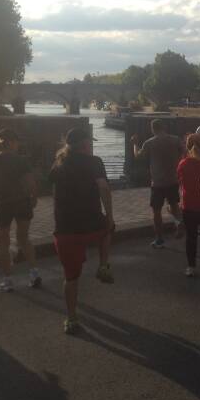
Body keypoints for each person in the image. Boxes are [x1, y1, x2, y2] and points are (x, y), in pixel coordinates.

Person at [49, 127, 115, 334]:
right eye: (90, 142)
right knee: (108, 229)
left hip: (65, 228)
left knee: (71, 278)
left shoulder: (58, 164)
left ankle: (71, 318)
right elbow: (103, 188)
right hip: (92, 224)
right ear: (85, 144)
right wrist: (110, 216)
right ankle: (103, 265)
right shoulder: (94, 162)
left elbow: (54, 194)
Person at [0, 129, 41, 292]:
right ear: (11, 143)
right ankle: (34, 273)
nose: (18, 145)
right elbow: (31, 184)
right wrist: (33, 199)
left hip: (2, 204)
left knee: (3, 243)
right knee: (24, 238)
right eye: (17, 142)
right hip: (22, 202)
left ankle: (8, 280)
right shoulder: (21, 161)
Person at [132, 119, 184, 248]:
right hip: (173, 179)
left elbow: (138, 156)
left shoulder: (149, 143)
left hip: (158, 183)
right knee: (174, 205)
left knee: (156, 211)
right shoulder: (175, 140)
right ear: (164, 127)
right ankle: (179, 223)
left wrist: (135, 144)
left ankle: (159, 239)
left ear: (152, 129)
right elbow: (185, 152)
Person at [177, 134, 200, 277]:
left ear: (187, 147)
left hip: (189, 205)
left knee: (191, 237)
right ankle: (199, 223)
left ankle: (191, 267)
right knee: (197, 222)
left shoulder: (183, 164)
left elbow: (180, 184)